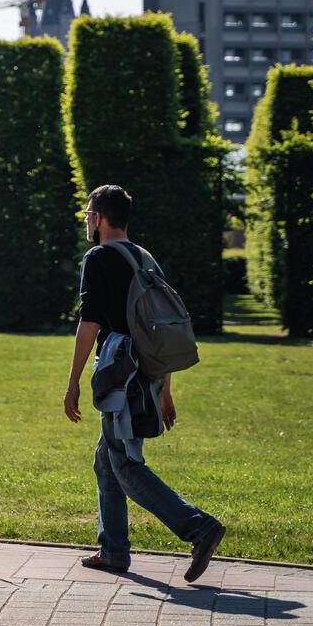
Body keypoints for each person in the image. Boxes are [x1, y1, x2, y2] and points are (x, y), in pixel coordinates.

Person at [64, 184, 225, 582]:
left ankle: (198, 527)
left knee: (125, 463)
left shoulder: (98, 257)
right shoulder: (144, 257)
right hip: (148, 370)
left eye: (89, 213)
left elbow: (89, 323)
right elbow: (161, 327)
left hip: (120, 372)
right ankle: (113, 551)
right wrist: (165, 391)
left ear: (100, 218)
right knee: (106, 461)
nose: (87, 219)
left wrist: (73, 383)